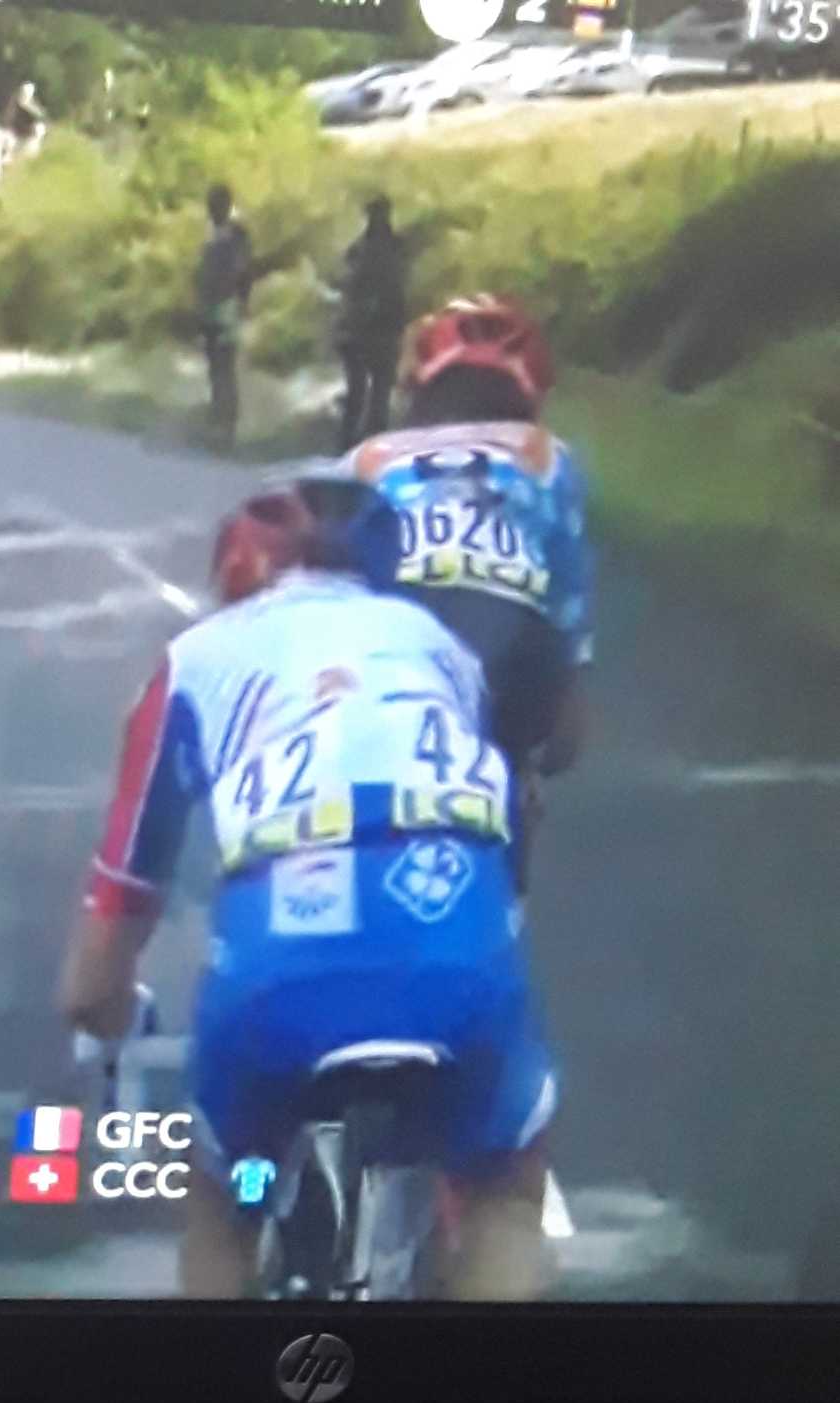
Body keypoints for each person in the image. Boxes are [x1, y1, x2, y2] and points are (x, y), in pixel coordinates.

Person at [58, 479, 556, 1302]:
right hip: (454, 949)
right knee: (505, 1190)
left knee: (225, 1205)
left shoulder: (192, 662)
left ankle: (232, 1306)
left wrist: (101, 1012)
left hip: (277, 979)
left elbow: (120, 899)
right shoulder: (442, 648)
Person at [347, 295, 593, 791]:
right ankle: (512, 796)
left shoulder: (369, 459)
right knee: (513, 759)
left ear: (421, 386)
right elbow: (568, 589)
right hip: (514, 651)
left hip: (390, 647)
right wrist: (572, 700)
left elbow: (327, 559)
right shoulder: (548, 457)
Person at [334, 197, 407, 451]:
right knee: (373, 390)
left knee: (368, 390)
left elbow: (348, 285)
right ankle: (363, 443)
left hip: (369, 327)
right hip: (372, 327)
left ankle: (354, 443)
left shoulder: (362, 249)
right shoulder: (392, 247)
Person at [195, 182, 254, 444]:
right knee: (214, 366)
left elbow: (244, 271)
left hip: (227, 306)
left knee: (224, 365)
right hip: (210, 306)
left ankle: (226, 426)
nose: (212, 209)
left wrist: (241, 302)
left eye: (216, 204)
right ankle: (217, 420)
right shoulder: (211, 233)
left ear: (226, 206)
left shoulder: (235, 234)